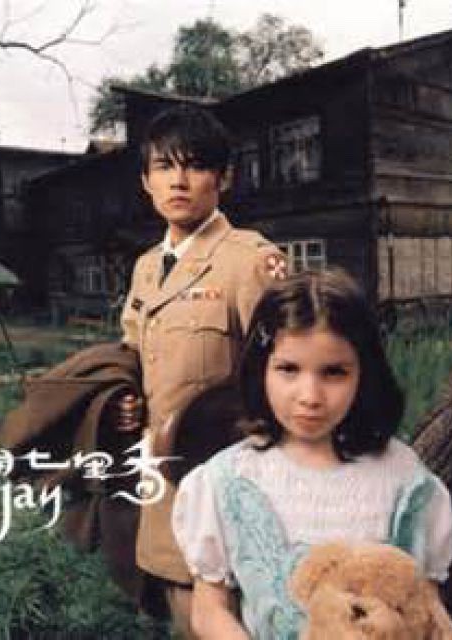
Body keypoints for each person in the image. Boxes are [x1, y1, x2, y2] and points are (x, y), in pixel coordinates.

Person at [172, 269, 452, 639]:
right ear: (262, 369)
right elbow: (209, 609)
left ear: (364, 373)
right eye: (288, 369)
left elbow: (427, 606)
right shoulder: (227, 481)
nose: (310, 396)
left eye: (334, 373)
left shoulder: (403, 477)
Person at [117, 104, 287, 635]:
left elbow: (285, 370)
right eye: (164, 167)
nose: (179, 181)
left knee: (228, 615)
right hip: (161, 477)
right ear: (146, 181)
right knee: (177, 604)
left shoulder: (249, 260)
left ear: (224, 177)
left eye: (195, 165)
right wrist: (126, 402)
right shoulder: (147, 266)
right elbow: (134, 354)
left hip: (228, 480)